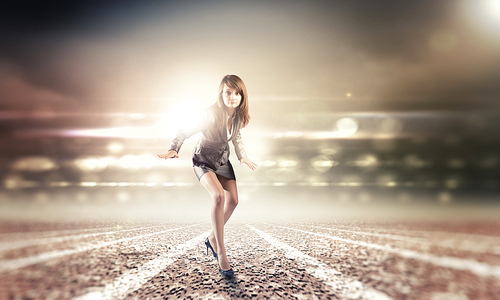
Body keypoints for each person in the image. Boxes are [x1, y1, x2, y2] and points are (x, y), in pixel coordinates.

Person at [158, 74, 257, 276]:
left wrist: (243, 156)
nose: (232, 97)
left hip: (222, 161)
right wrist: (173, 149)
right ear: (221, 94)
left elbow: (236, 137)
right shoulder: (209, 115)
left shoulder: (238, 116)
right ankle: (221, 251)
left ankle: (212, 238)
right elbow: (184, 130)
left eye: (237, 93)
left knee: (234, 201)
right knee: (218, 196)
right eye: (228, 92)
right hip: (203, 160)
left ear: (242, 96)